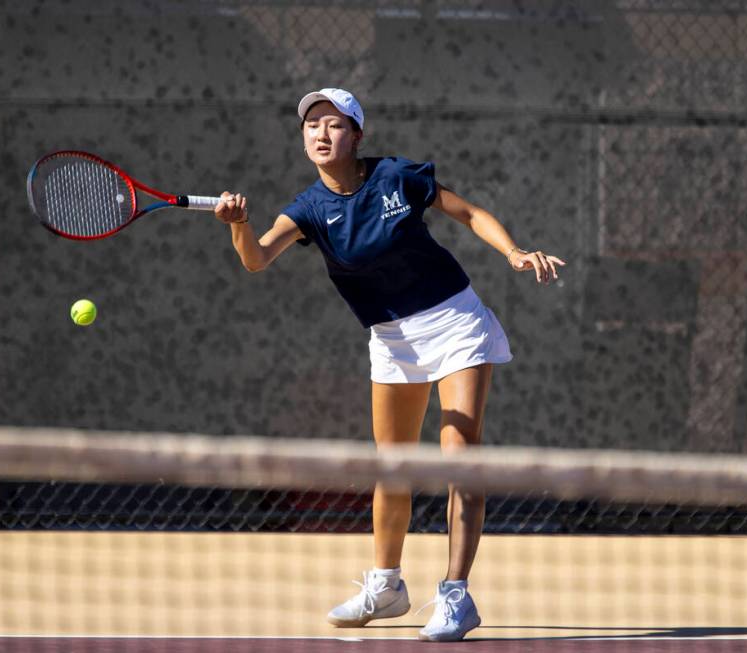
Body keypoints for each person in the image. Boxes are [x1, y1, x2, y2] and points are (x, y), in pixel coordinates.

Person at [214, 88, 564, 642]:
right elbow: (256, 259)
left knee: (460, 459)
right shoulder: (308, 209)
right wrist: (237, 224)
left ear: (357, 135)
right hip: (391, 340)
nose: (320, 134)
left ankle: (456, 595)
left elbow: (467, 212)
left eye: (333, 124)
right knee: (392, 467)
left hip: (454, 322)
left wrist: (514, 252)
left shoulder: (397, 178)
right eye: (311, 126)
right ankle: (387, 586)